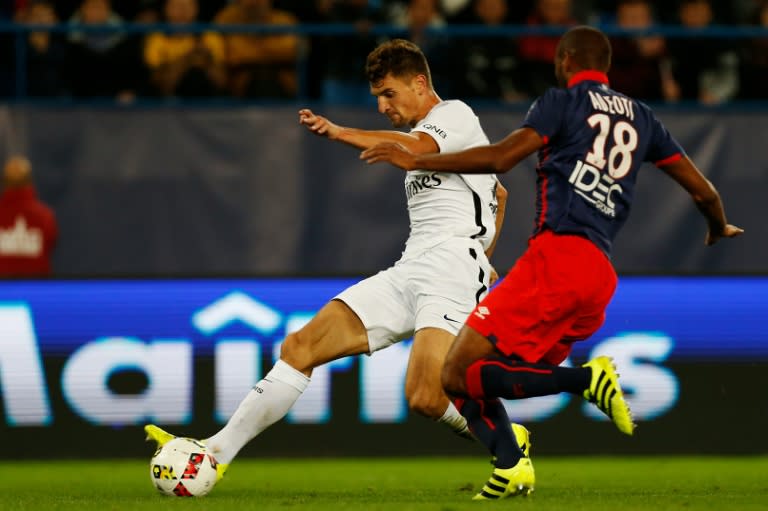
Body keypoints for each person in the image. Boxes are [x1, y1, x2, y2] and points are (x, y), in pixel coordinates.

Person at [361, 26, 744, 500]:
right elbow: (703, 190)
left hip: (555, 259)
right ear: (606, 65)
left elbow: (502, 158)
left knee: (455, 372)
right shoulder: (642, 117)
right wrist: (718, 225)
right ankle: (511, 466)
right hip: (599, 276)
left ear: (564, 62)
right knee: (480, 376)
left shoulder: (561, 103)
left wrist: (414, 161)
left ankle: (586, 380)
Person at [145, 38, 531, 487]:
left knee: (426, 396)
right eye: (377, 98)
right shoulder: (433, 145)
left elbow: (419, 148)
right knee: (300, 347)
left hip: (450, 269)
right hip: (411, 268)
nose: (383, 106)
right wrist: (486, 253)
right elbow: (499, 195)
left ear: (420, 83)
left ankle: (507, 440)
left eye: (389, 93)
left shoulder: (454, 116)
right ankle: (216, 453)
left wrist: (339, 131)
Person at [0, 156, 58, 277]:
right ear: (29, 181)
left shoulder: (45, 215)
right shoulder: (45, 215)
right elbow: (50, 243)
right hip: (36, 289)